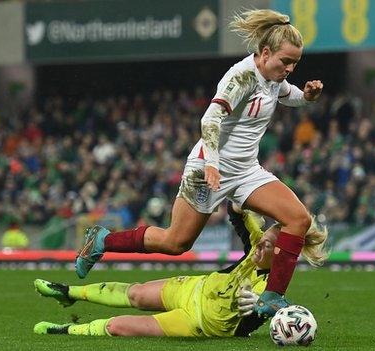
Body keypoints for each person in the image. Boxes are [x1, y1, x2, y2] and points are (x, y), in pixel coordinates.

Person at [75, 9, 323, 317]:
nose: (289, 69)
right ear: (265, 53)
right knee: (176, 242)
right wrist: (212, 163)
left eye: (294, 64)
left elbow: (286, 94)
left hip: (246, 171)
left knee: (298, 219)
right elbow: (211, 118)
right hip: (207, 169)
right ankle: (102, 239)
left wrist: (307, 97)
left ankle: (272, 298)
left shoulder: (273, 77)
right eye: (285, 62)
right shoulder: (242, 77)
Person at [34, 204, 328, 337]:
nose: (261, 245)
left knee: (118, 327)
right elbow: (236, 213)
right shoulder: (256, 244)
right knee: (135, 295)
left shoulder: (269, 290)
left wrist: (259, 311)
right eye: (264, 239)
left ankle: (67, 330)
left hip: (198, 322)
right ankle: (67, 292)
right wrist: (243, 200)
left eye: (268, 245)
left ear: (281, 254)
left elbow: (270, 311)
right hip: (193, 287)